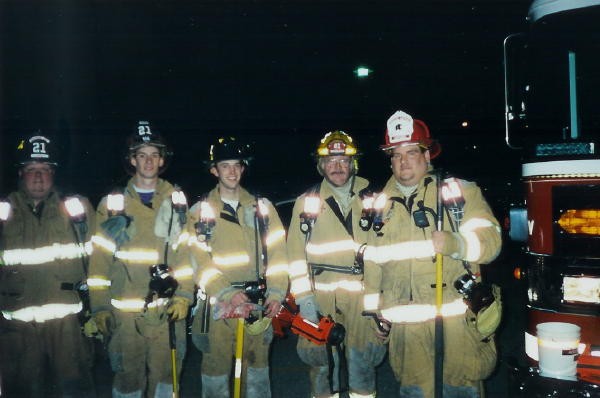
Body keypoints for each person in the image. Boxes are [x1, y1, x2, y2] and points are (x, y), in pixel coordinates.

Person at [362, 110, 502, 397]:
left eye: (411, 153)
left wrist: (456, 244)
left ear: (427, 156)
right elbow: (373, 264)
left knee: (460, 390)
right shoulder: (379, 206)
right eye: (396, 154)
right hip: (408, 333)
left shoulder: (457, 193)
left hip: (456, 327)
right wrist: (375, 314)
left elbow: (492, 242)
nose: (403, 161)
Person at [87, 121, 194, 398]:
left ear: (162, 160)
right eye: (142, 154)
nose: (148, 161)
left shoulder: (177, 202)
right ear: (132, 160)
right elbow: (99, 262)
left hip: (167, 312)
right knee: (128, 381)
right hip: (125, 318)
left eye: (154, 155)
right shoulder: (113, 206)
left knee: (166, 382)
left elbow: (186, 254)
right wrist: (99, 307)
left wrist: (184, 295)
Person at [181, 136, 289, 397]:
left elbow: (278, 255)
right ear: (214, 170)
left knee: (257, 370)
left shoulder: (263, 209)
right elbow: (198, 261)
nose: (232, 171)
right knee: (215, 371)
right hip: (218, 305)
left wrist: (275, 294)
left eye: (236, 165)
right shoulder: (199, 211)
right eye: (225, 165)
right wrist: (227, 293)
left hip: (257, 304)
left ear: (243, 168)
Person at [287, 130, 386, 398]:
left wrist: (382, 300)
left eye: (343, 160)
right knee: (320, 367)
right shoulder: (306, 203)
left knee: (364, 362)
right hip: (320, 299)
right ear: (321, 165)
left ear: (353, 163)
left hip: (362, 298)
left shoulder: (376, 199)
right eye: (331, 161)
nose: (337, 166)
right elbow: (295, 256)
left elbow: (386, 251)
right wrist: (305, 300)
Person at [0, 133, 96, 397]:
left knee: (74, 390)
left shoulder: (77, 210)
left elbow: (99, 262)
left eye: (44, 169)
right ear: (20, 174)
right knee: (22, 391)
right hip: (17, 329)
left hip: (67, 327)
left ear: (54, 173)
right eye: (31, 170)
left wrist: (98, 310)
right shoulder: (3, 212)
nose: (38, 177)